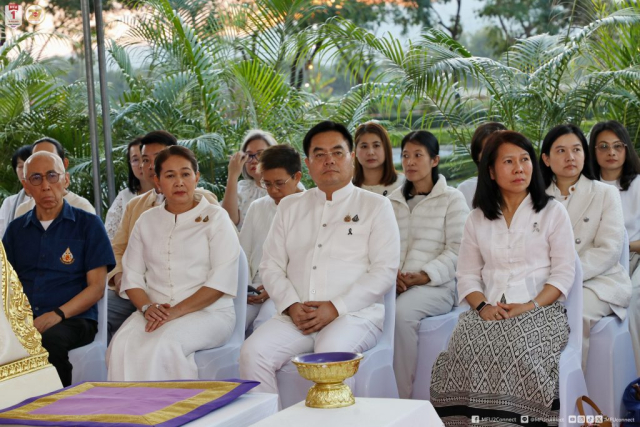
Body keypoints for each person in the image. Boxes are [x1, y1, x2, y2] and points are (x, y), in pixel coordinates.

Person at [239, 121, 400, 396]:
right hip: (296, 317)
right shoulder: (290, 206)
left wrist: (335, 308)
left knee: (330, 357)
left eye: (337, 152)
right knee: (252, 353)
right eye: (320, 154)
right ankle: (271, 417)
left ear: (351, 158)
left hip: (353, 316)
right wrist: (291, 305)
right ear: (308, 163)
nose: (329, 160)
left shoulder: (376, 206)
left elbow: (384, 271)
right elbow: (271, 265)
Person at [430, 131, 576, 425]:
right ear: (491, 172)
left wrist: (530, 306)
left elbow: (563, 273)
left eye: (525, 160)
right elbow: (467, 275)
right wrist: (483, 307)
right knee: (463, 350)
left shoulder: (553, 212)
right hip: (489, 309)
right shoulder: (477, 218)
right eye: (508, 161)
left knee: (518, 352)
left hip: (541, 311)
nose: (519, 168)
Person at [107, 146, 238, 381]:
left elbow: (220, 281)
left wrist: (174, 313)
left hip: (209, 313)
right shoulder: (146, 221)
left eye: (185, 174)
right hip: (153, 312)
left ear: (196, 178)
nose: (179, 182)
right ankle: (130, 404)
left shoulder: (216, 218)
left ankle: (175, 404)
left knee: (164, 345)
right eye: (170, 175)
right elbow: (132, 277)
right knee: (120, 345)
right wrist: (147, 308)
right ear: (157, 182)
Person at [2, 151, 115, 387]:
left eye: (52, 176)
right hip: (24, 319)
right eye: (36, 178)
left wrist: (57, 315)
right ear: (26, 187)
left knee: (48, 342)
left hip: (73, 319)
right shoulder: (16, 230)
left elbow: (96, 288)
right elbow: (5, 285)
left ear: (66, 180)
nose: (45, 186)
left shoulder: (88, 225)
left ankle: (54, 405)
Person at [106, 130, 219, 342]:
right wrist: (120, 275)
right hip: (135, 293)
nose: (150, 165)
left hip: (184, 294)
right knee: (97, 319)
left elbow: (228, 251)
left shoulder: (202, 202)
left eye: (156, 158)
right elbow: (117, 248)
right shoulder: (135, 205)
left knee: (158, 338)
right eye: (144, 160)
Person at [540, 123, 631, 370]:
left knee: (573, 315)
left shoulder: (605, 193)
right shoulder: (537, 198)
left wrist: (564, 277)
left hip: (598, 281)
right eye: (561, 151)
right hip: (546, 280)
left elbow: (608, 250)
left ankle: (569, 386)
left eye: (576, 149)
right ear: (546, 159)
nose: (570, 157)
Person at [389, 130, 469, 399]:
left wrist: (425, 275)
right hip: (394, 284)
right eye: (405, 156)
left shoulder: (452, 198)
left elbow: (459, 249)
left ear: (434, 160)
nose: (410, 162)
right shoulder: (391, 201)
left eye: (418, 155)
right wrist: (391, 276)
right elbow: (380, 248)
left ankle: (400, 397)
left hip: (437, 286)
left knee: (401, 314)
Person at [589, 121, 640, 375]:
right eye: (604, 146)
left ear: (626, 149)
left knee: (633, 302)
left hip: (635, 259)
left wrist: (621, 247)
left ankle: (636, 380)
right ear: (593, 151)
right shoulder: (588, 187)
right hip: (598, 264)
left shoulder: (638, 184)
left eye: (618, 146)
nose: (611, 152)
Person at [240, 144, 304, 335]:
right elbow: (243, 254)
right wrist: (244, 288)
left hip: (290, 289)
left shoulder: (313, 208)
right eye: (267, 184)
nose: (273, 190)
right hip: (254, 288)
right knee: (232, 322)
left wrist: (273, 288)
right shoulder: (257, 207)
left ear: (297, 177)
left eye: (279, 183)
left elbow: (308, 264)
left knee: (264, 326)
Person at [15, 138, 95, 217]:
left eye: (51, 157)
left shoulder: (83, 208)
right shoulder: (23, 210)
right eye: (37, 158)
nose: (43, 162)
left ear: (64, 164)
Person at [221, 130, 276, 230]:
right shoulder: (241, 188)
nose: (254, 160)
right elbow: (227, 222)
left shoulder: (288, 185)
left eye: (260, 154)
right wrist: (232, 175)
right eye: (249, 155)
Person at [104, 137, 155, 240]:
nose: (141, 165)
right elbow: (110, 239)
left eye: (145, 159)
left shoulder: (171, 193)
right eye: (135, 160)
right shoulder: (124, 197)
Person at [457, 122, 507, 208]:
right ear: (477, 157)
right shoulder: (466, 190)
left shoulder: (522, 185)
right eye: (489, 151)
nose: (497, 157)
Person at [353, 122, 405, 196]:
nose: (370, 152)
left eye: (376, 145)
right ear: (356, 151)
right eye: (364, 146)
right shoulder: (347, 188)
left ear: (386, 149)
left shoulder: (403, 184)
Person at [0, 145, 32, 237]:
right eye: (21, 166)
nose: (25, 170)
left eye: (29, 164)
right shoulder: (9, 202)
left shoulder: (49, 199)